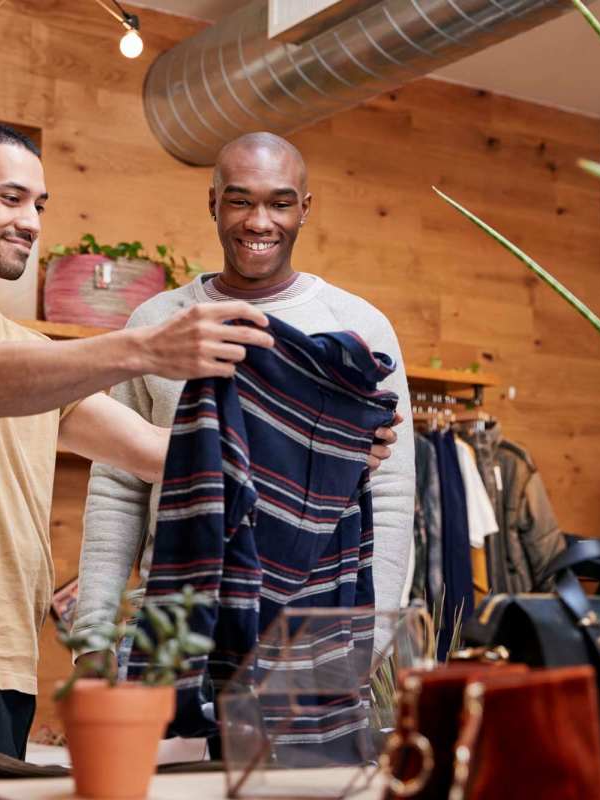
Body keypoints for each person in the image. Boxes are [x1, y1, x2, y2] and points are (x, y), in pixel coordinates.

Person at [0, 118, 280, 761]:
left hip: (6, 668)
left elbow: (159, 455)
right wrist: (139, 348)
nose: (33, 221)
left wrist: (322, 446)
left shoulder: (27, 354)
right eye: (11, 198)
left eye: (39, 205)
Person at [72, 132, 414, 690]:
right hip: (173, 620)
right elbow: (117, 484)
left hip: (313, 629)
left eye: (280, 203)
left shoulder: (358, 329)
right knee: (162, 780)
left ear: (305, 209)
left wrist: (371, 639)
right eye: (240, 200)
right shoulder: (157, 323)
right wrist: (92, 632)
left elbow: (393, 494)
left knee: (301, 783)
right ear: (212, 203)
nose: (260, 221)